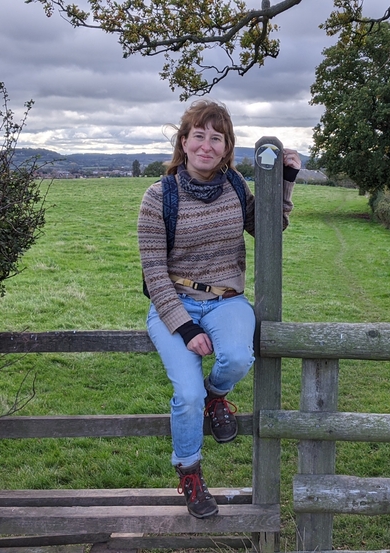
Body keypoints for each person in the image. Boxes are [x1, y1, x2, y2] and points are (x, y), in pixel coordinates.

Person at [137, 99, 300, 519]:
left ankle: (218, 397)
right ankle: (189, 471)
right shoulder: (158, 196)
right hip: (173, 303)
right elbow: (153, 272)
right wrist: (186, 328)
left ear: (226, 146)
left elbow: (267, 232)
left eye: (217, 137)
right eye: (199, 136)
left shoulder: (235, 187)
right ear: (184, 142)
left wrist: (284, 183)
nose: (207, 145)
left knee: (238, 357)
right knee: (186, 394)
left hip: (226, 299)